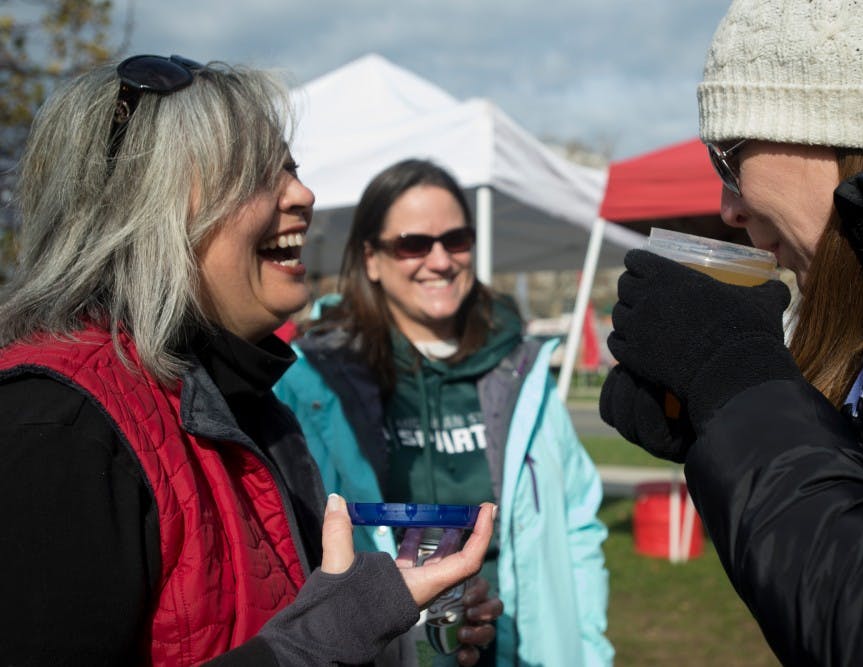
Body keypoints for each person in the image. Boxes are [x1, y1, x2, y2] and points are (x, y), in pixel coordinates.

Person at [0, 55, 498, 666]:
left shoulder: (254, 409)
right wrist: (331, 634)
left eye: (291, 167)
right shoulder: (55, 427)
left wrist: (399, 624)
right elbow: (307, 641)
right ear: (147, 210)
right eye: (258, 174)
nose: (304, 195)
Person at [599, 1, 863, 665]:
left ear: (839, 124)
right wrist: (718, 427)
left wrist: (732, 376)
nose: (727, 205)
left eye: (728, 156)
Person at [274, 158, 614, 666]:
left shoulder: (521, 367)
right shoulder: (316, 380)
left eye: (456, 240)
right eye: (413, 244)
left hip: (521, 651)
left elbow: (578, 527)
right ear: (371, 258)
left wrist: (590, 655)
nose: (440, 260)